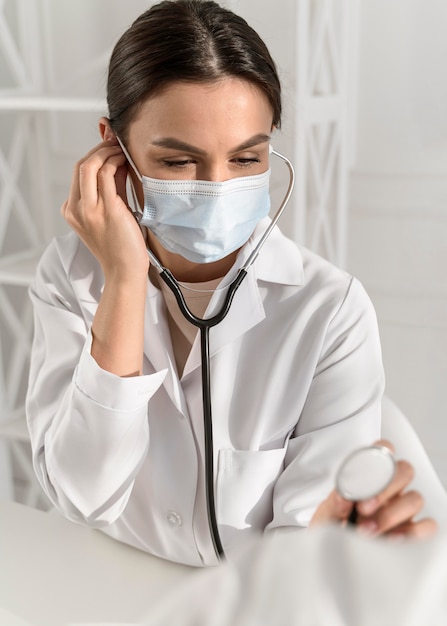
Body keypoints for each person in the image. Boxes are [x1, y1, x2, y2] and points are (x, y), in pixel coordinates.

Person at [26, 0, 436, 567]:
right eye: (177, 162)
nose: (217, 187)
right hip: (103, 590)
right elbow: (82, 496)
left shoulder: (329, 310)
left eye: (246, 158)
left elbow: (305, 557)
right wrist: (122, 282)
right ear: (112, 150)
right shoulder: (69, 278)